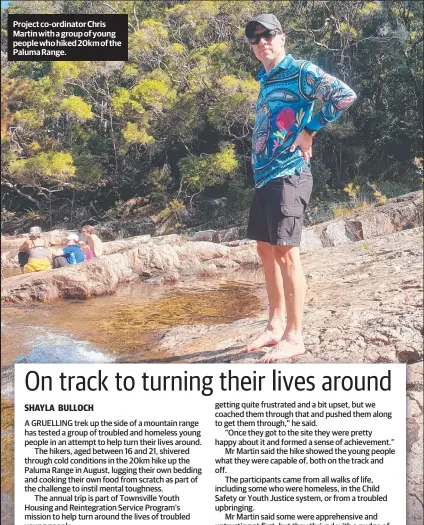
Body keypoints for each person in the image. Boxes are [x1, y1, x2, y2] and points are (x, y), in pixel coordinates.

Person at [243, 14, 357, 361]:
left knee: (285, 251)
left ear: (282, 38)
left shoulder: (301, 71)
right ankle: (275, 324)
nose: (262, 42)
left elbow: (343, 95)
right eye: (255, 38)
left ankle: (295, 335)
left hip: (289, 174)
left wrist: (310, 128)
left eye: (268, 35)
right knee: (265, 249)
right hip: (265, 177)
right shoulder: (264, 78)